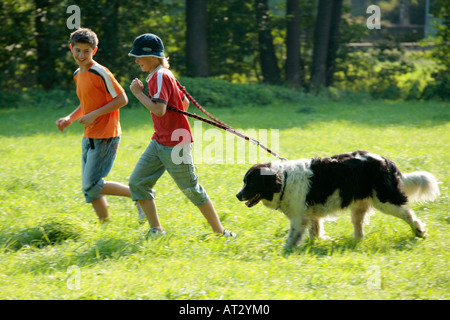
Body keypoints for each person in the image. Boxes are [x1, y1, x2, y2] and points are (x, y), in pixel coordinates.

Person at [128, 33, 236, 238]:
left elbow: (159, 109)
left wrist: (138, 94)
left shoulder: (159, 76)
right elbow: (183, 102)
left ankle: (221, 232)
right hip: (159, 140)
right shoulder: (161, 74)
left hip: (175, 144)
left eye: (139, 56)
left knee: (191, 189)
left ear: (153, 57)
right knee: (138, 182)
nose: (136, 60)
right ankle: (156, 230)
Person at [55, 28, 142, 222]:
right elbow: (86, 103)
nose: (81, 55)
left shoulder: (100, 72)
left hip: (107, 135)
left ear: (94, 51)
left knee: (91, 185)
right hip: (89, 136)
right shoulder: (78, 73)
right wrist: (70, 118)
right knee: (91, 189)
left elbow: (122, 99)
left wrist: (94, 115)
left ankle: (139, 194)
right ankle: (105, 224)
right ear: (71, 49)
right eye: (78, 50)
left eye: (86, 51)